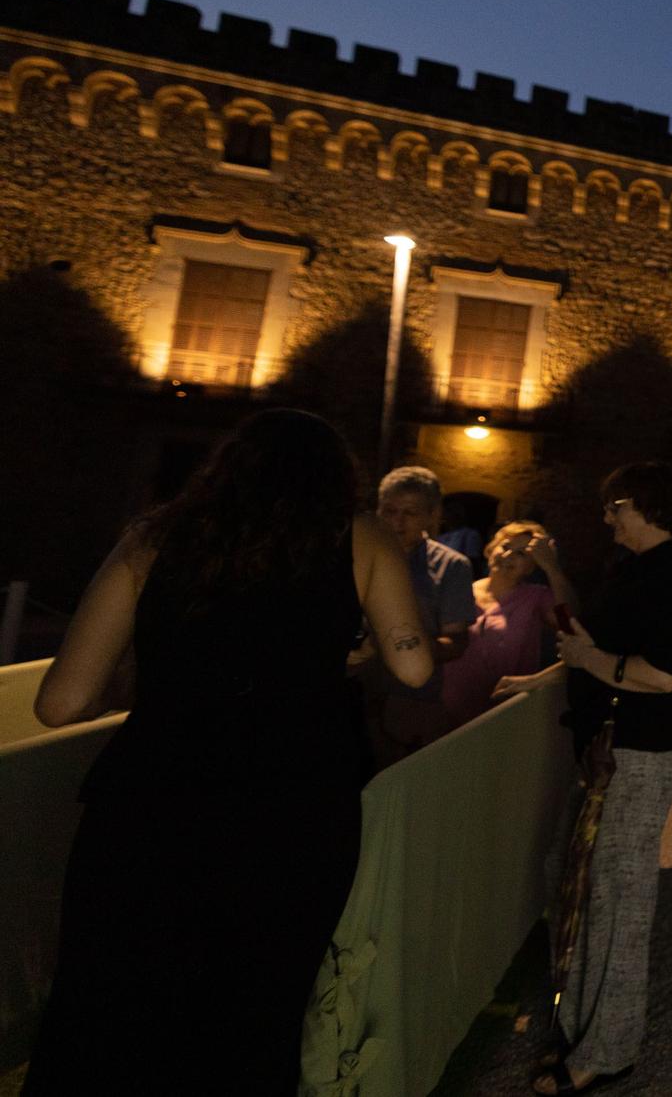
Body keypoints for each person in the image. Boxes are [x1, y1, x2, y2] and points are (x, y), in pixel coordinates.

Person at [25, 408, 433, 1094]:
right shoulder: (359, 538)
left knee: (110, 1006)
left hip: (150, 802)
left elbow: (60, 702)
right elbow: (414, 667)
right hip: (291, 810)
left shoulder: (152, 539)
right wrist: (345, 654)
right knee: (252, 1014)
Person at [492, 462, 672, 1097]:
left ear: (645, 506)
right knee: (582, 879)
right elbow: (594, 641)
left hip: (641, 750)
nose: (607, 518)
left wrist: (589, 659)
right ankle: (580, 1021)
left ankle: (608, 1048)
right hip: (608, 747)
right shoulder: (635, 570)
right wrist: (567, 660)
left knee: (619, 893)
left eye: (616, 508)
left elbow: (666, 675)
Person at [362, 465, 477, 764]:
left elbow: (457, 641)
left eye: (410, 513)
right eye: (389, 511)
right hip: (357, 691)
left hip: (411, 700)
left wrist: (402, 647)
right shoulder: (359, 555)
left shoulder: (451, 566)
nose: (397, 522)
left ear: (431, 515)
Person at [440, 521, 578, 732]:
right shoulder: (461, 591)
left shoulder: (536, 597)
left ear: (532, 566)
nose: (508, 556)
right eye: (505, 547)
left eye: (522, 554)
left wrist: (552, 568)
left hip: (503, 713)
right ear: (489, 549)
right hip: (448, 713)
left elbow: (572, 623)